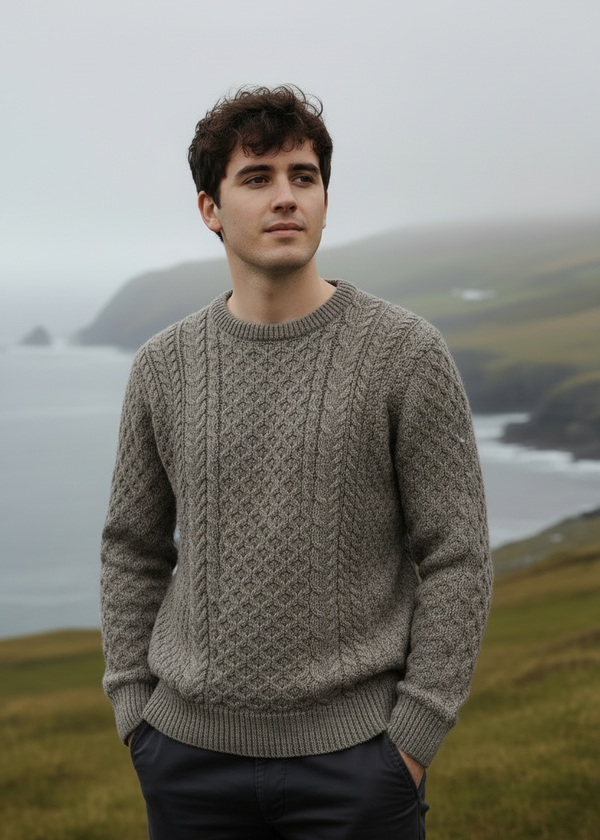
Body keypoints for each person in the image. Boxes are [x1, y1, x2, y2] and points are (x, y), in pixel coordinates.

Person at [101, 85, 493, 839]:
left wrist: (413, 739)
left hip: (359, 768)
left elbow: (459, 555)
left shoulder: (406, 355)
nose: (286, 198)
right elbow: (132, 548)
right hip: (186, 764)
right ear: (210, 209)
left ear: (323, 196)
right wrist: (133, 711)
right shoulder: (162, 366)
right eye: (257, 178)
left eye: (303, 177)